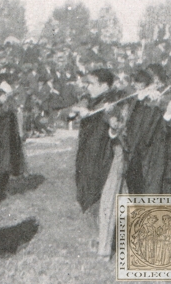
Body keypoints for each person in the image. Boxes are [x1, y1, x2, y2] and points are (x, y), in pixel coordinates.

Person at [72, 68, 128, 259]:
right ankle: (103, 239)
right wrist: (80, 111)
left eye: (91, 84)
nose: (88, 87)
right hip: (92, 157)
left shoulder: (115, 102)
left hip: (110, 156)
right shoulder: (92, 100)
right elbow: (71, 111)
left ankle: (104, 249)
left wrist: (113, 123)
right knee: (93, 200)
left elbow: (120, 128)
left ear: (104, 85)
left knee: (108, 202)